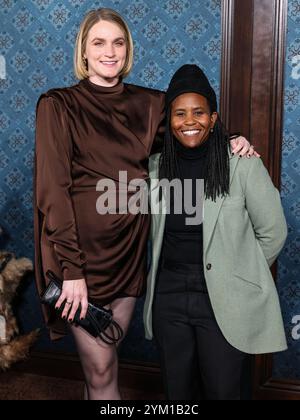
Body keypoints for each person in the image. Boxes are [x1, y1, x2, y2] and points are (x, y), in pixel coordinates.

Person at [34, 9, 255, 401]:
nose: (109, 51)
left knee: (104, 365)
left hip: (129, 253)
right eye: (98, 42)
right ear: (83, 52)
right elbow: (53, 192)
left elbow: (190, 131)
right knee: (100, 369)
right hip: (81, 260)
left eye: (118, 42)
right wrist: (71, 270)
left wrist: (231, 138)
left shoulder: (151, 104)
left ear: (128, 49)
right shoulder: (58, 105)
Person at [143, 64, 288, 400]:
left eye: (199, 112)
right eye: (179, 113)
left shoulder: (240, 163)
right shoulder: (154, 168)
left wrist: (237, 271)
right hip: (170, 293)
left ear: (213, 117)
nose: (189, 121)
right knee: (177, 390)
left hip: (223, 295)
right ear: (169, 119)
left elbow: (273, 232)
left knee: (223, 389)